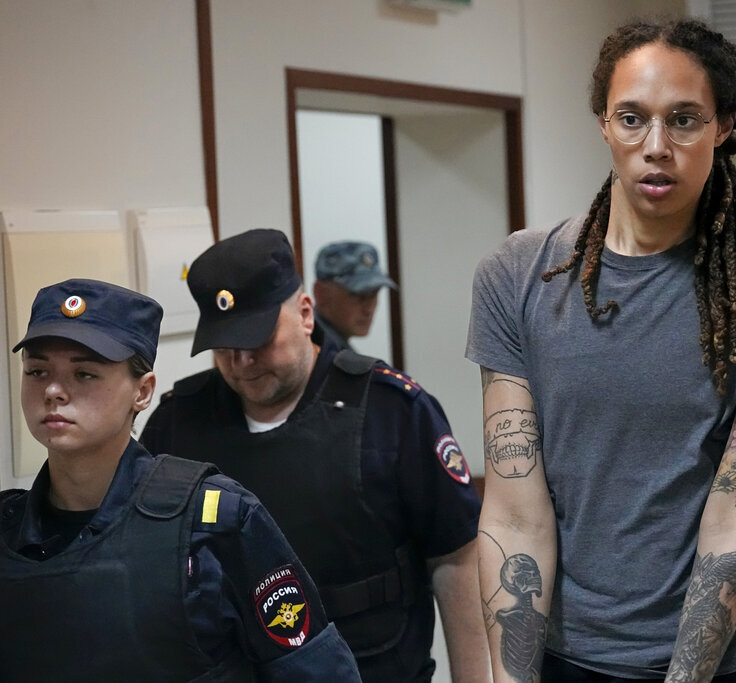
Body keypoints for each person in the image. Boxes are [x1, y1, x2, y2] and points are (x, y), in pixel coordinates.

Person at [466, 16, 736, 683]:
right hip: (572, 654)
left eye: (684, 120)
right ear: (604, 124)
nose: (656, 146)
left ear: (723, 126)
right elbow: (515, 514)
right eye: (633, 119)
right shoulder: (517, 275)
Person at [142, 228, 489, 683]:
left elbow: (456, 558)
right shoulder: (176, 424)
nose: (242, 362)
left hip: (374, 667)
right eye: (224, 347)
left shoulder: (393, 412)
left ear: (305, 314)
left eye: (256, 340)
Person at [0, 278, 359, 681]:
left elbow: (316, 671)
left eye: (84, 374)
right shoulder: (7, 531)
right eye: (37, 371)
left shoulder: (215, 520)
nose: (53, 390)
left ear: (142, 392)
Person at [313, 240, 397, 352]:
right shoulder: (313, 352)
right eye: (358, 295)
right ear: (321, 293)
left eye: (374, 294)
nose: (368, 309)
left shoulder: (330, 347)